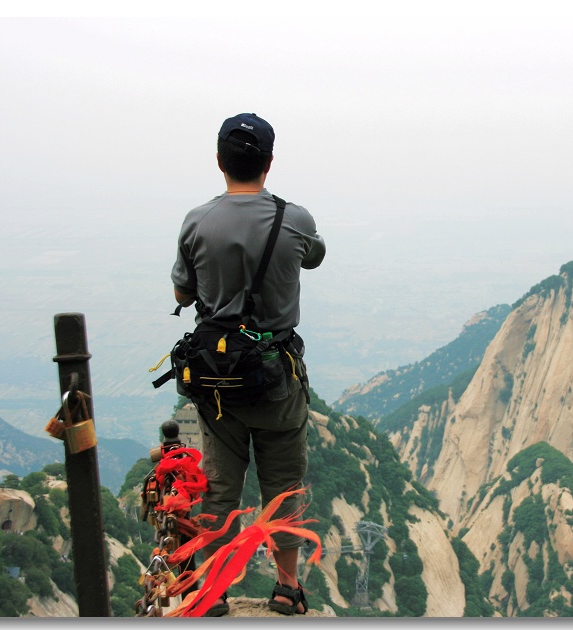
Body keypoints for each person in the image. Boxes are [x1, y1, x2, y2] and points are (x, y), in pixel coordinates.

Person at [170, 112, 326, 616]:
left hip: (217, 382)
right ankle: (285, 589)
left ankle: (211, 591)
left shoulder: (196, 221)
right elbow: (315, 257)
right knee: (283, 487)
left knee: (219, 489)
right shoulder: (294, 219)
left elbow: (182, 290)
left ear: (220, 161)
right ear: (269, 162)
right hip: (276, 379)